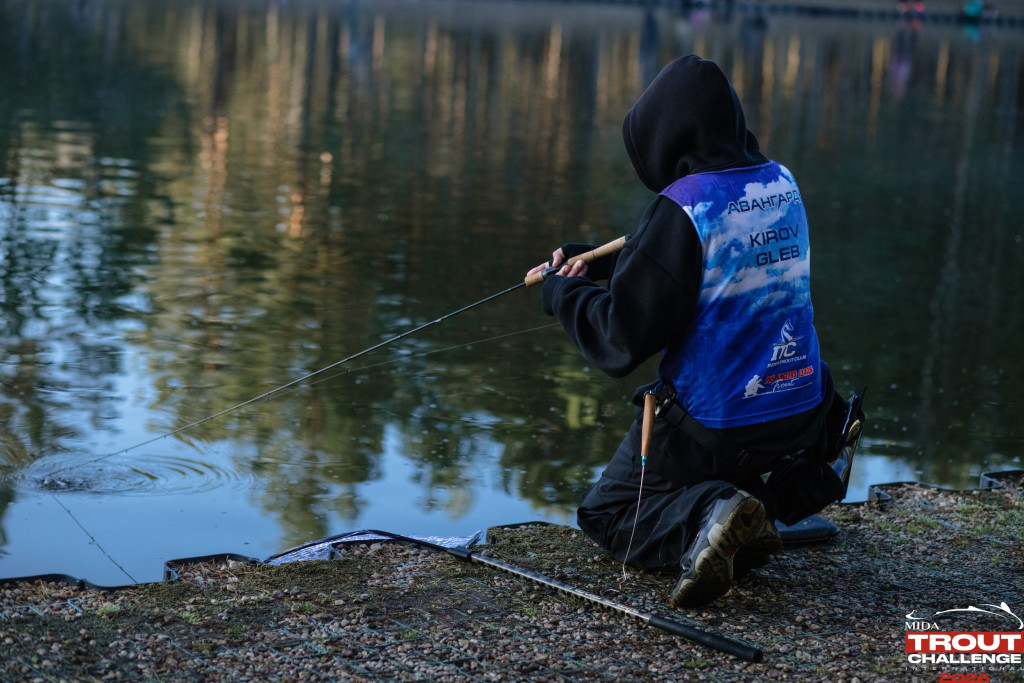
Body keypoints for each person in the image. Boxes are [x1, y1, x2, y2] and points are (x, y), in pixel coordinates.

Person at [527, 55, 857, 608]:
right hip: (802, 415)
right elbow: (720, 260)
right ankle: (753, 513)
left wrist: (562, 294)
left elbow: (621, 340)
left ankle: (712, 513)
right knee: (726, 474)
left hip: (720, 427)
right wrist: (606, 263)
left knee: (610, 513)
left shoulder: (684, 206)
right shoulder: (779, 181)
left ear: (664, 138)